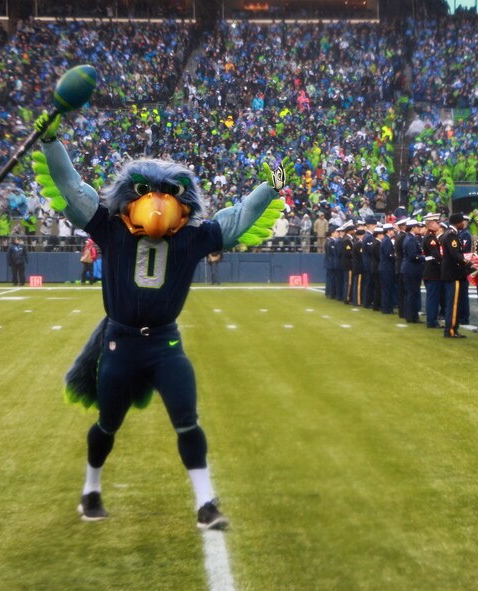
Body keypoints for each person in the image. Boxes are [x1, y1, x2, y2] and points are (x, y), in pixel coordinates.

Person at [34, 112, 295, 529]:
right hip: (119, 342)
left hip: (164, 343)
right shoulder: (110, 227)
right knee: (108, 424)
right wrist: (51, 144)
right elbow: (72, 187)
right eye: (145, 191)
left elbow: (240, 217)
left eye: (170, 193)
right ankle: (90, 489)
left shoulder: (192, 236)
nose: (157, 203)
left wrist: (271, 187)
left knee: (187, 419)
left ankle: (206, 504)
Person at [440, 212, 469, 338]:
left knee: (452, 302)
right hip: (453, 273)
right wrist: (467, 261)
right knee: (454, 303)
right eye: (462, 221)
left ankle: (452, 328)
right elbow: (455, 254)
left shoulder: (449, 233)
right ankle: (451, 329)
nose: (464, 223)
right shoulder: (452, 235)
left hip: (450, 273)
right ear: (457, 222)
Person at [421, 213, 443, 328]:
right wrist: (444, 262)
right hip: (433, 271)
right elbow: (435, 255)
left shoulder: (429, 236)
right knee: (433, 298)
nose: (439, 224)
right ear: (431, 223)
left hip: (429, 270)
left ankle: (431, 319)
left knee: (432, 297)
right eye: (437, 222)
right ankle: (432, 321)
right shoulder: (431, 238)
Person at [401, 219, 423, 323]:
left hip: (409, 268)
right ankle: (412, 316)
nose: (419, 228)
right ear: (413, 228)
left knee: (410, 293)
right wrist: (424, 258)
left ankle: (410, 315)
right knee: (412, 293)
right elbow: (413, 256)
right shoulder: (411, 239)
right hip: (411, 269)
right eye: (417, 227)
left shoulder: (410, 238)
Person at [379, 223, 397, 314]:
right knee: (387, 288)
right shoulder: (387, 240)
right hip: (387, 268)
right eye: (392, 230)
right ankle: (386, 308)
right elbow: (388, 254)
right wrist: (395, 257)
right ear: (388, 231)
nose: (393, 232)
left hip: (385, 267)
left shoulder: (385, 240)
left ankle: (386, 307)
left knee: (386, 288)